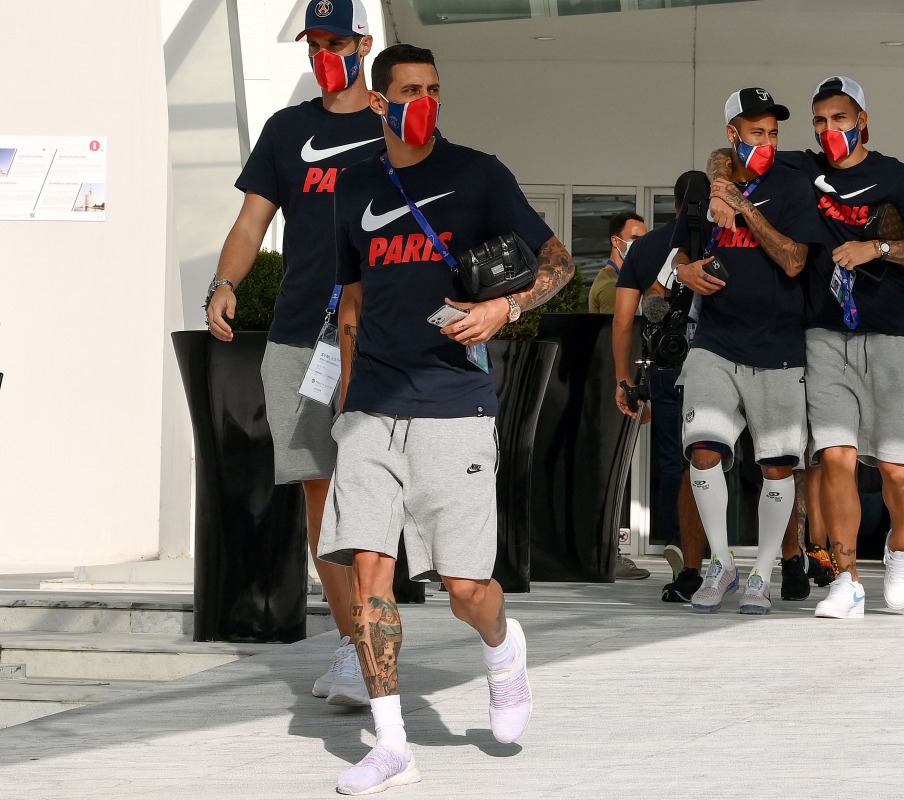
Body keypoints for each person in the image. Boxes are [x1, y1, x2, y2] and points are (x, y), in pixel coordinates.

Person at [317, 43, 575, 794]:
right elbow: (354, 298)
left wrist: (505, 305)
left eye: (433, 88)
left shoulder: (479, 173)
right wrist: (344, 391)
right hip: (372, 409)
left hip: (453, 405)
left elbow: (558, 264)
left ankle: (502, 647)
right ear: (379, 101)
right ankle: (392, 742)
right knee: (370, 573)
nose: (423, 100)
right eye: (408, 90)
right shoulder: (354, 186)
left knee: (466, 589)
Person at [710, 76, 904, 618]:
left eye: (839, 119)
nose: (828, 129)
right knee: (834, 457)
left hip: (891, 335)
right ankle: (847, 579)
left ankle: (901, 543)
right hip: (823, 335)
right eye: (820, 121)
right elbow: (726, 151)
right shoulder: (801, 167)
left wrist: (878, 247)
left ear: (863, 120)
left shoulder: (895, 174)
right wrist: (722, 189)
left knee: (897, 470)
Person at [205, 0, 379, 707]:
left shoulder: (396, 127)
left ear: (363, 43)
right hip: (298, 338)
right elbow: (252, 222)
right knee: (322, 495)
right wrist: (224, 282)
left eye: (335, 41)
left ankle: (375, 636)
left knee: (376, 498)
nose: (323, 55)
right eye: (314, 43)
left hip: (378, 341)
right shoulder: (287, 130)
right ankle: (353, 647)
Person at [672, 87, 822, 615]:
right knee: (702, 451)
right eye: (756, 132)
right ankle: (722, 561)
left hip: (779, 347)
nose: (767, 141)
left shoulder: (792, 184)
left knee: (778, 467)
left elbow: (795, 260)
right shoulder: (706, 186)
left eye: (774, 133)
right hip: (714, 342)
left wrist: (743, 208)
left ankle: (761, 572)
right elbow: (679, 253)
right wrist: (684, 269)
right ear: (732, 133)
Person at [612, 171, 706, 597]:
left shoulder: (646, 247)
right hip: (720, 361)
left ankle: (677, 540)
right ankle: (711, 553)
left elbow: (622, 319)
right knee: (714, 459)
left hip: (667, 366)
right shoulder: (723, 241)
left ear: (673, 203)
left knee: (674, 460)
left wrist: (624, 378)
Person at [589, 212, 647, 313]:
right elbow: (616, 328)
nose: (642, 245)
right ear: (615, 241)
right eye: (635, 239)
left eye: (645, 240)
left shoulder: (619, 279)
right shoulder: (612, 286)